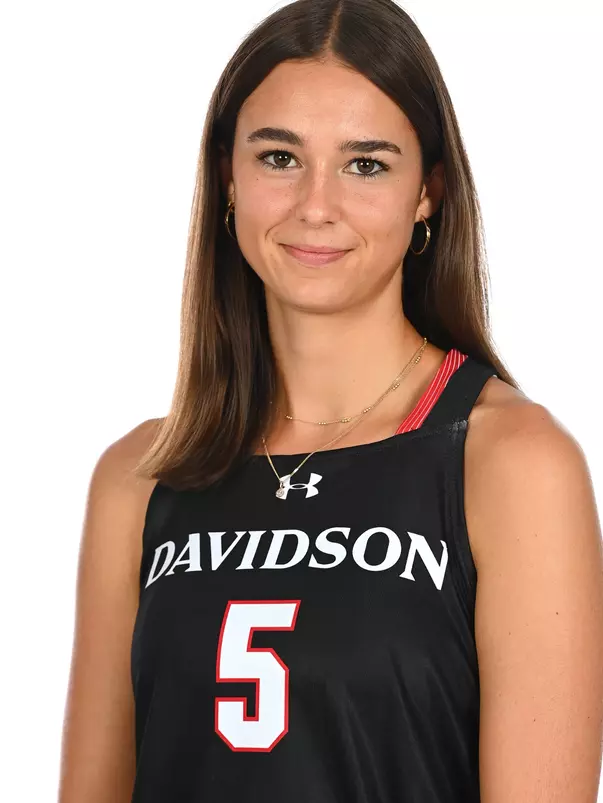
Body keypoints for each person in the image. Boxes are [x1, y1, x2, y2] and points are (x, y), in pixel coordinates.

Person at [58, 1, 603, 801]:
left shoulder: (510, 462)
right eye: (279, 157)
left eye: (366, 163)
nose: (316, 205)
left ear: (428, 192)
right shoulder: (140, 476)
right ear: (227, 179)